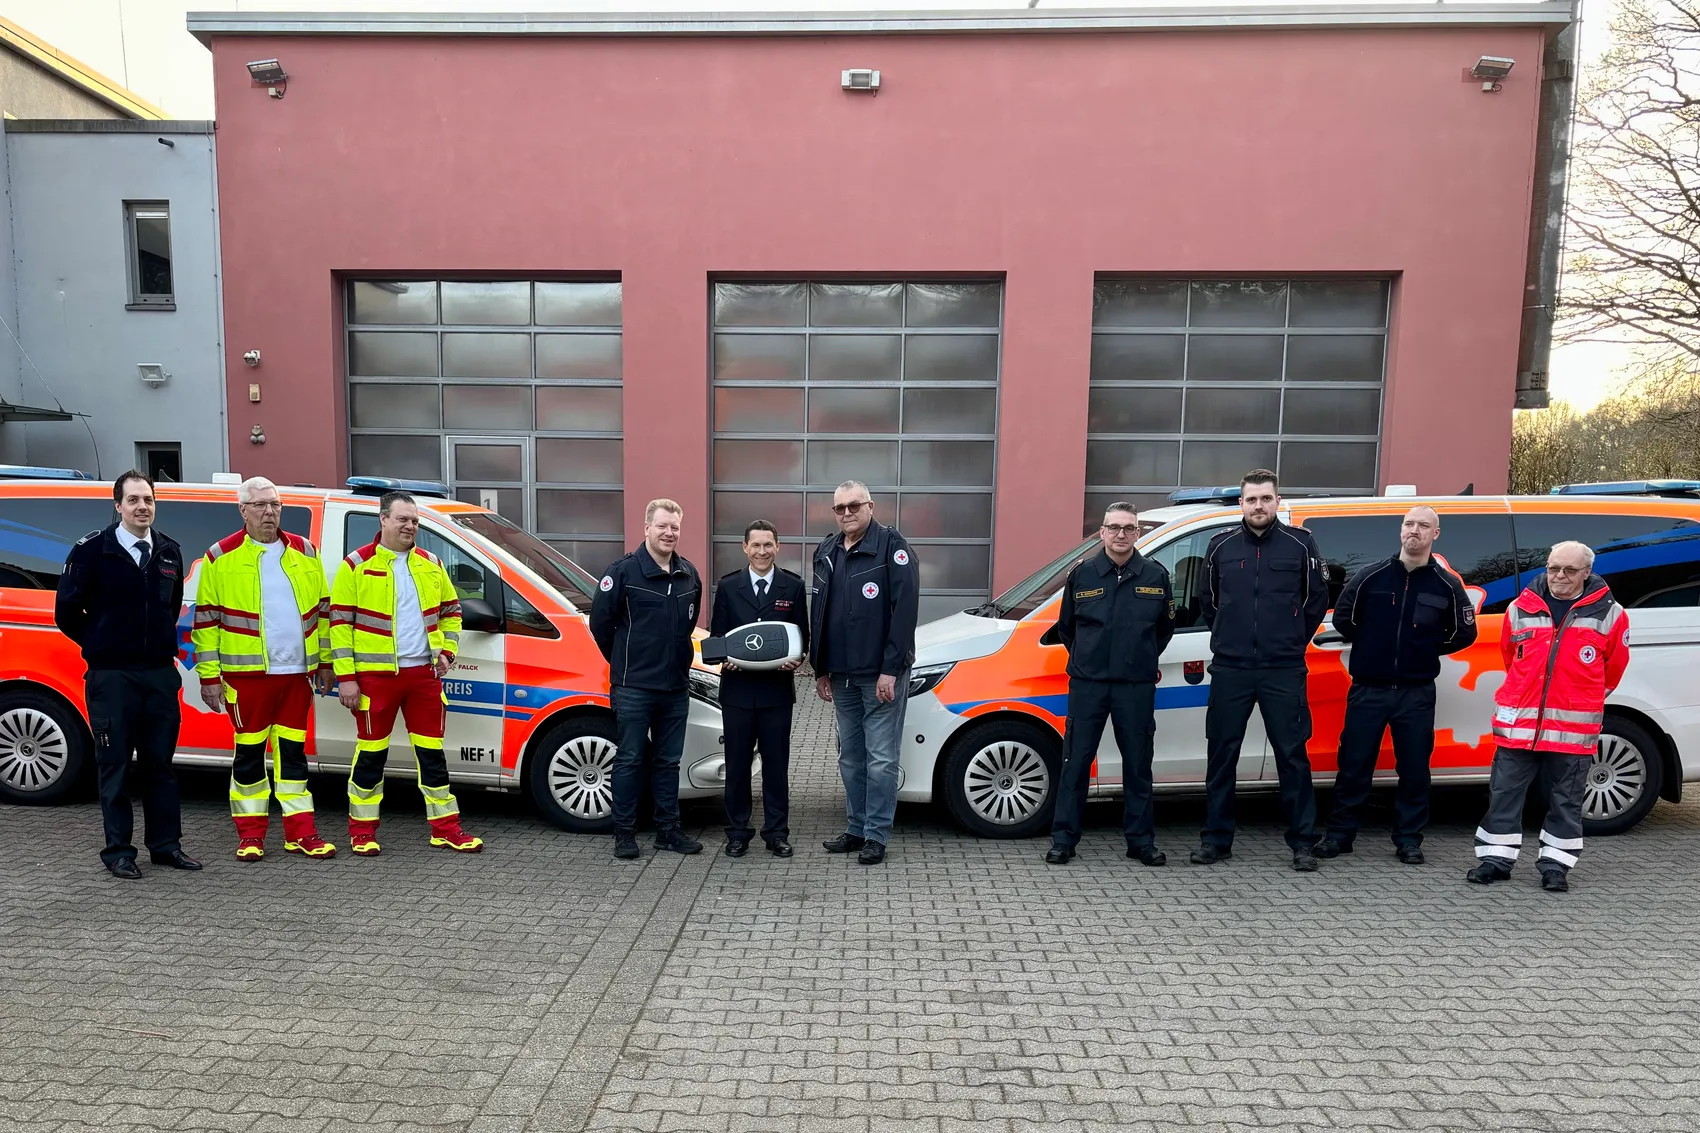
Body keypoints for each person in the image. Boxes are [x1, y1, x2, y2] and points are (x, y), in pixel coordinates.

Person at [54, 470, 201, 879]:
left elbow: (170, 608)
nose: (142, 507)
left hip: (158, 676)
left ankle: (166, 846)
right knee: (114, 766)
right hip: (112, 677)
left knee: (160, 766)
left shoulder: (168, 551)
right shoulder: (91, 551)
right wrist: (101, 643)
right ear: (118, 505)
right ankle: (119, 852)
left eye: (148, 499)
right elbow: (67, 612)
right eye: (133, 500)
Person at [1313, 505, 1478, 865]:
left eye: (1423, 525)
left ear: (1435, 534)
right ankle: (1339, 836)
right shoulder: (1370, 576)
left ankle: (1408, 840)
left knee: (1414, 770)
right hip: (1368, 688)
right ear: (1401, 530)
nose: (1414, 530)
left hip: (1415, 693)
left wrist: (1424, 649)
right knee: (1354, 766)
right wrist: (1374, 645)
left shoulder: (1446, 585)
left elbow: (1465, 633)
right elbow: (1344, 619)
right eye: (1408, 524)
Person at [192, 476, 339, 861]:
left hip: (297, 677)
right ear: (243, 510)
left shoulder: (305, 551)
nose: (269, 512)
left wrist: (326, 663)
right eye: (259, 505)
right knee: (249, 758)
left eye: (274, 504)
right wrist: (209, 678)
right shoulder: (220, 556)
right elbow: (206, 622)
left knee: (293, 757)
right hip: (247, 680)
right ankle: (251, 836)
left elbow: (323, 613)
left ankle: (301, 834)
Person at [1468, 540, 1628, 892]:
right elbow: (1511, 657)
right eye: (1554, 568)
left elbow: (1613, 669)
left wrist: (1580, 699)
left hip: (1573, 728)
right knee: (1504, 793)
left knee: (1565, 800)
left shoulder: (1611, 614)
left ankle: (1556, 866)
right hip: (1520, 724)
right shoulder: (1519, 608)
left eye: (1569, 570)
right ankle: (1495, 860)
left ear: (1587, 573)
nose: (1559, 576)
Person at [329, 490, 483, 856]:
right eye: (402, 519)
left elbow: (452, 612)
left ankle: (445, 828)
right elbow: (339, 625)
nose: (410, 526)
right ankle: (362, 831)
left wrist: (447, 651)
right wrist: (346, 678)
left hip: (423, 676)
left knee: (433, 757)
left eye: (414, 520)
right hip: (375, 678)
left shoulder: (431, 563)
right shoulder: (356, 565)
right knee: (371, 756)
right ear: (383, 519)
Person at [1193, 469, 1329, 871]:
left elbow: (1316, 600)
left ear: (1277, 502)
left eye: (1266, 498)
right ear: (1241, 503)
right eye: (1251, 499)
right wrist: (1230, 637)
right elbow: (1208, 602)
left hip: (1282, 667)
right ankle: (1216, 840)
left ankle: (1303, 843)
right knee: (1222, 755)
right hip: (1231, 667)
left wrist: (1291, 640)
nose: (1258, 506)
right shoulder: (1220, 546)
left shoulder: (1300, 545)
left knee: (1292, 755)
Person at [1044, 502, 1176, 866]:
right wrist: (1091, 658)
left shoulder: (1155, 575)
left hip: (1135, 686)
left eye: (1129, 528)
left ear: (1138, 533)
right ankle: (1063, 841)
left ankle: (1141, 842)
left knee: (1138, 764)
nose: (1121, 534)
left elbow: (1163, 630)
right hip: (1089, 685)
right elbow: (1068, 628)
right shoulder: (1082, 575)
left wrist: (1138, 659)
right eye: (1114, 528)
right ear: (1102, 532)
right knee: (1075, 762)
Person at [809, 480, 919, 866]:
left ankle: (876, 834)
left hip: (879, 676)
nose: (847, 513)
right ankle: (856, 828)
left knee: (882, 758)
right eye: (839, 508)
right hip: (841, 675)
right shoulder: (826, 550)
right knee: (850, 757)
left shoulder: (892, 547)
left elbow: (904, 613)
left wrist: (890, 669)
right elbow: (819, 612)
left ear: (871, 506)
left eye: (854, 505)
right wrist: (820, 668)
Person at [590, 498, 703, 861]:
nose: (669, 533)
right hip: (634, 687)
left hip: (675, 687)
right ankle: (624, 833)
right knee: (630, 759)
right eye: (662, 526)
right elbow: (600, 624)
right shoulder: (623, 572)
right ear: (647, 528)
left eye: (674, 527)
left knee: (668, 762)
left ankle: (668, 831)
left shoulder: (688, 574)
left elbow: (687, 625)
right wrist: (625, 662)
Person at [710, 520, 809, 859]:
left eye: (768, 545)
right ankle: (737, 833)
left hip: (776, 692)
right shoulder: (728, 586)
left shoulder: (792, 587)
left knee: (776, 766)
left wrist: (797, 659)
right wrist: (725, 658)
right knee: (737, 766)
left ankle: (776, 833)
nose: (762, 551)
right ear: (745, 548)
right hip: (737, 692)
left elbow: (802, 636)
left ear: (777, 547)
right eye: (756, 545)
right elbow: (717, 636)